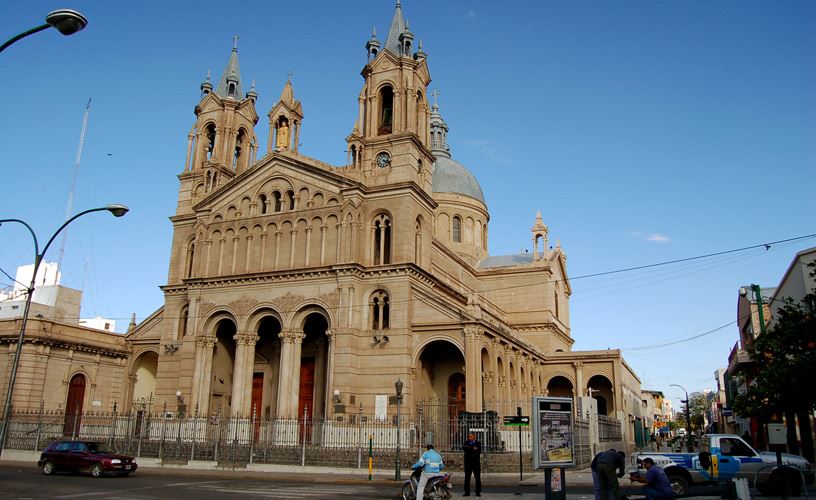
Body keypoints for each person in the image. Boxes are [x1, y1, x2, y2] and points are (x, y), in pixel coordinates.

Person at [462, 432, 482, 497]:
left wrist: (470, 448)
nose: (469, 437)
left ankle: (478, 492)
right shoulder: (466, 442)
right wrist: (473, 448)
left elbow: (478, 451)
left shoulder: (478, 443)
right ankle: (467, 492)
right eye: (469, 436)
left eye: (471, 436)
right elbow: (465, 449)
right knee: (467, 478)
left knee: (477, 478)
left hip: (476, 463)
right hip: (468, 463)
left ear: (474, 436)